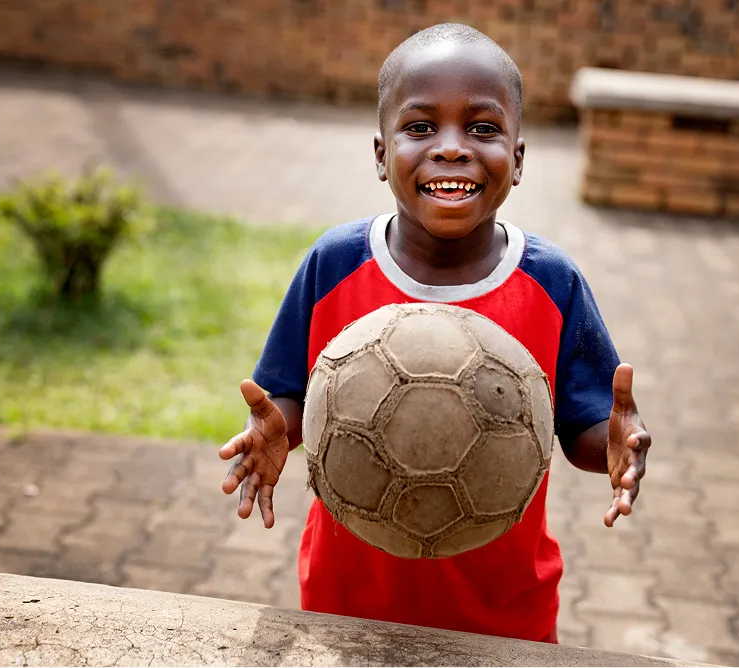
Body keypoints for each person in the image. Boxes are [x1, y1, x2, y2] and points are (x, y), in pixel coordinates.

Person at [219, 23, 652, 644]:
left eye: (483, 128)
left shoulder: (550, 281)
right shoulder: (336, 264)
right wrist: (275, 432)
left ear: (519, 159)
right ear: (380, 154)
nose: (452, 148)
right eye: (420, 127)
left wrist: (611, 443)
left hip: (503, 615)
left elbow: (584, 426)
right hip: (347, 605)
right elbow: (284, 394)